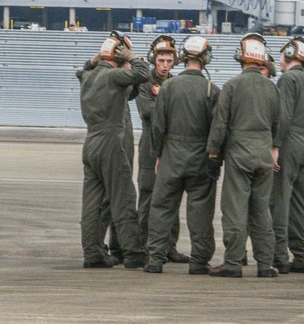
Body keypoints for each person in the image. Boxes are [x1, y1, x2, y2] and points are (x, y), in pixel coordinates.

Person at [206, 32, 281, 279]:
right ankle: (265, 264)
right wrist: (273, 148)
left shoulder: (232, 86)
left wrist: (213, 153)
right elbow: (279, 123)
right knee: (261, 210)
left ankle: (233, 262)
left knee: (235, 209)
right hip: (263, 155)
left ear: (241, 57)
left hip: (239, 154)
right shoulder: (272, 88)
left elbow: (220, 125)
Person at [145, 35, 220, 276]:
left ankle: (155, 259)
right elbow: (218, 128)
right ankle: (198, 261)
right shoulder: (213, 90)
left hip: (171, 156)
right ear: (206, 58)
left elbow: (158, 126)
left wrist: (159, 154)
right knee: (200, 212)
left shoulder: (168, 87)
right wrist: (214, 156)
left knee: (162, 208)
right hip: (201, 158)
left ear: (182, 58)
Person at [79, 32, 150, 269]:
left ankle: (93, 253)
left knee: (92, 201)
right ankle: (133, 253)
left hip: (91, 143)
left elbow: (83, 70)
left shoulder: (88, 77)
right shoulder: (113, 76)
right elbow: (143, 74)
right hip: (111, 141)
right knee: (123, 197)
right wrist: (132, 57)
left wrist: (96, 58)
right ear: (119, 56)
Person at [270, 36, 304, 273]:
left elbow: (283, 116)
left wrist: (275, 146)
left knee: (279, 201)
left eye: (281, 55)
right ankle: (303, 257)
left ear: (289, 55)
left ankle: (279, 256)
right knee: (299, 203)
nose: (279, 60)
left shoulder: (287, 80)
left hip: (288, 143)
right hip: (303, 143)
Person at [136, 35, 185, 261]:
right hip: (150, 143)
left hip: (171, 145)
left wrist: (161, 112)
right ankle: (146, 246)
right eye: (161, 60)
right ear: (153, 60)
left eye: (168, 60)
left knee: (171, 196)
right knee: (148, 195)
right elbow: (146, 109)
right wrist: (169, 113)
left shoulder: (176, 83)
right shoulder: (144, 82)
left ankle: (169, 246)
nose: (165, 65)